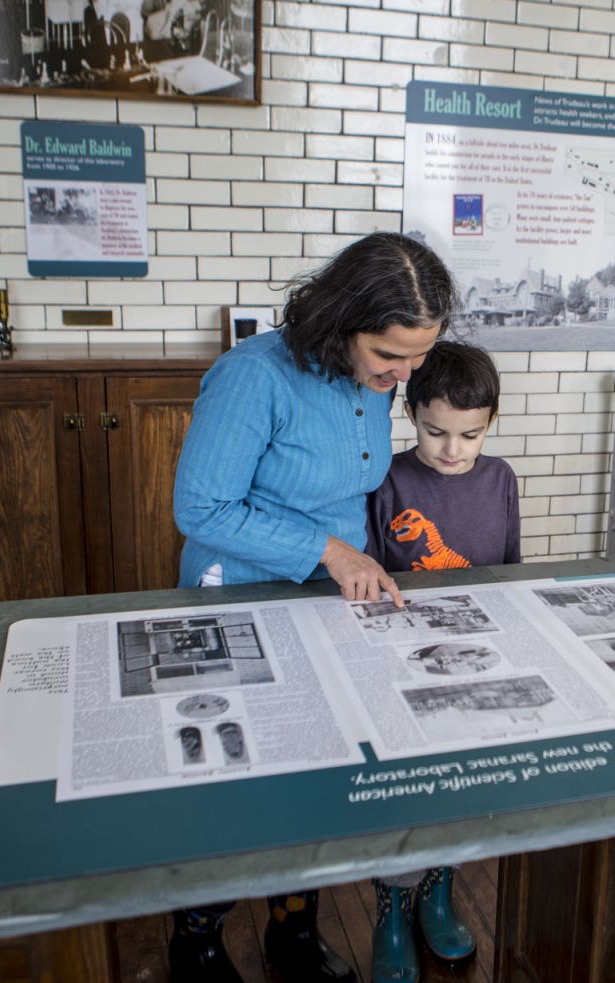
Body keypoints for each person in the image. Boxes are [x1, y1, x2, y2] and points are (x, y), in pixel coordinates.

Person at [169, 231, 455, 983]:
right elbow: (200, 507)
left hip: (327, 601)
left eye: (418, 356)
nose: (403, 374)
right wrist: (328, 550)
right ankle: (197, 940)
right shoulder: (252, 376)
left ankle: (292, 929)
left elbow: (348, 490)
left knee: (316, 766)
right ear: (341, 321)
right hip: (238, 596)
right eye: (390, 355)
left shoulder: (377, 377)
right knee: (234, 780)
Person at [362, 341, 519, 982]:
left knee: (462, 782)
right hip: (399, 662)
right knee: (404, 791)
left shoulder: (501, 480)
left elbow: (509, 577)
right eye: (435, 432)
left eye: (470, 435)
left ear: (491, 423)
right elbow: (367, 585)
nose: (452, 449)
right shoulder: (388, 481)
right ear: (411, 413)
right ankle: (392, 908)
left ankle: (439, 889)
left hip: (474, 664)